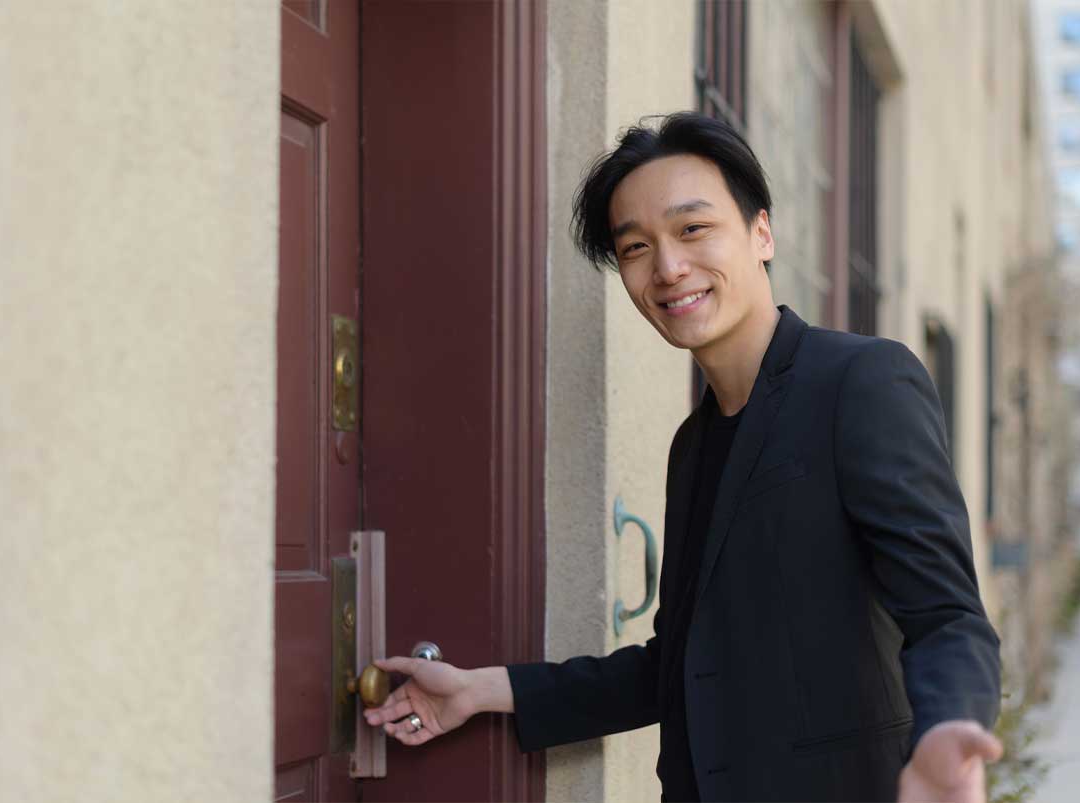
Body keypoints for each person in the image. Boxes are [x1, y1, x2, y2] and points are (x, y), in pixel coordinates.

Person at [363, 112, 1004, 802]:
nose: (668, 267)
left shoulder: (862, 382)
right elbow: (679, 666)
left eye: (693, 229)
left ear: (762, 231)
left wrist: (948, 726)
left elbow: (948, 615)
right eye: (635, 247)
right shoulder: (693, 445)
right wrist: (479, 690)